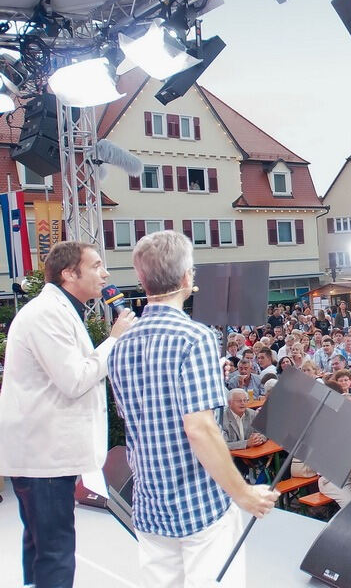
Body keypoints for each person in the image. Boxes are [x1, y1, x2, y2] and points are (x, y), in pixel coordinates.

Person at [107, 231, 277, 586]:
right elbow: (199, 429)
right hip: (199, 506)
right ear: (187, 278)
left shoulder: (120, 345)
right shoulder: (194, 337)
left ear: (142, 279)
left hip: (150, 504)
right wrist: (243, 493)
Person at [0, 241, 137, 587]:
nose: (105, 274)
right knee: (55, 550)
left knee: (41, 545)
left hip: (46, 452)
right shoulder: (47, 314)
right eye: (95, 266)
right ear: (69, 273)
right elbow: (74, 380)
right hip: (44, 455)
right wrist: (115, 340)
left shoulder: (58, 310)